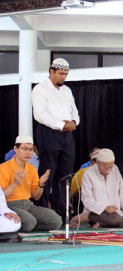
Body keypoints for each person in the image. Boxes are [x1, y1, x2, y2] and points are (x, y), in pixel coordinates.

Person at [32, 58, 80, 217]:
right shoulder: (40, 89)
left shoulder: (67, 90)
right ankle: (43, 212)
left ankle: (61, 213)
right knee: (47, 173)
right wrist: (61, 124)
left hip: (68, 135)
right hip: (49, 133)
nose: (63, 77)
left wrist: (73, 122)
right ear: (51, 71)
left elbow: (75, 112)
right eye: (61, 74)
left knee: (65, 174)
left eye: (66, 74)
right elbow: (40, 115)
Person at [0, 136, 62, 232]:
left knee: (56, 221)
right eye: (24, 149)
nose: (28, 153)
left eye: (31, 149)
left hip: (28, 205)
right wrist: (15, 183)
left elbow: (36, 196)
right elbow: (1, 197)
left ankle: (29, 225)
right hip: (10, 205)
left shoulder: (31, 168)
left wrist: (41, 184)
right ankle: (28, 224)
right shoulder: (3, 168)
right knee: (29, 222)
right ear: (15, 149)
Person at [80, 148, 123, 228]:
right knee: (115, 219)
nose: (109, 170)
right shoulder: (88, 174)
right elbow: (87, 199)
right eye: (106, 167)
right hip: (97, 213)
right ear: (98, 163)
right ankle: (102, 222)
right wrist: (104, 208)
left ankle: (103, 225)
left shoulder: (115, 169)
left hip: (114, 215)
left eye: (111, 166)